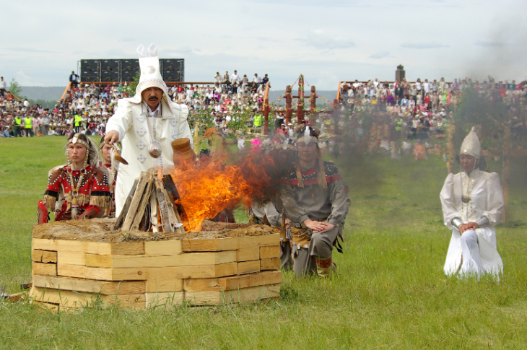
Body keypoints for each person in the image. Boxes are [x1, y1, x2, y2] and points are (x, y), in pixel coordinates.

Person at [104, 44, 192, 216]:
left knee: (170, 223)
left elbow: (186, 142)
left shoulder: (178, 113)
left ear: (163, 91)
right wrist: (114, 130)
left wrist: (189, 162)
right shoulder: (129, 107)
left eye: (157, 89)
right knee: (134, 223)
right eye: (148, 89)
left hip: (169, 179)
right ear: (141, 92)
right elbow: (119, 119)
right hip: (135, 178)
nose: (153, 93)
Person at [280, 126, 350, 278]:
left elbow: (341, 198)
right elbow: (287, 200)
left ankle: (326, 276)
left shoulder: (330, 169)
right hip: (302, 227)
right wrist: (306, 221)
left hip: (325, 224)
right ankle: (327, 264)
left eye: (311, 145)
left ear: (317, 147)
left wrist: (332, 222)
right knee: (302, 277)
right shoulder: (288, 171)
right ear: (297, 147)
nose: (306, 149)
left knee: (319, 239)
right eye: (302, 145)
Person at [440, 128, 504, 279]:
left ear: (477, 159)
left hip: (483, 228)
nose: (465, 161)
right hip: (460, 228)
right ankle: (475, 272)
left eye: (468, 158)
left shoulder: (489, 179)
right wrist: (460, 225)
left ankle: (471, 274)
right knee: (467, 235)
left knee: (469, 236)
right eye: (462, 157)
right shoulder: (453, 179)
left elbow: (497, 207)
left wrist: (477, 224)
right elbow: (447, 205)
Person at [37, 133, 111, 224]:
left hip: (90, 226)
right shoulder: (59, 174)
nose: (74, 151)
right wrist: (41, 228)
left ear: (87, 150)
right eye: (71, 147)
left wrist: (77, 224)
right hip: (62, 224)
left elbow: (97, 206)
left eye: (79, 147)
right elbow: (45, 203)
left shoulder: (98, 175)